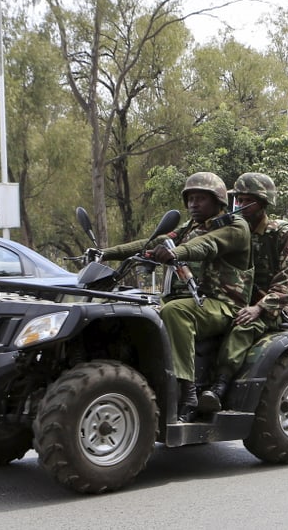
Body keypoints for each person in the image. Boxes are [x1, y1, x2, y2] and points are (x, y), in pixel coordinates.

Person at [99, 171, 252, 423]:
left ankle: (187, 393)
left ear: (218, 201)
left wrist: (176, 253)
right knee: (138, 311)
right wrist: (105, 253)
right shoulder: (189, 227)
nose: (193, 204)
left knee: (175, 312)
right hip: (196, 301)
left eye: (200, 198)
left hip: (224, 305)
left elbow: (207, 245)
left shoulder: (234, 227)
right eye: (190, 198)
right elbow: (154, 241)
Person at [196, 172, 288, 413]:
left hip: (280, 302)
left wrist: (260, 307)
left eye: (248, 201)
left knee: (243, 325)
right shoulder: (236, 229)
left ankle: (219, 386)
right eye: (239, 200)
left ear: (264, 203)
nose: (241, 206)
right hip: (243, 297)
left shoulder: (282, 233)